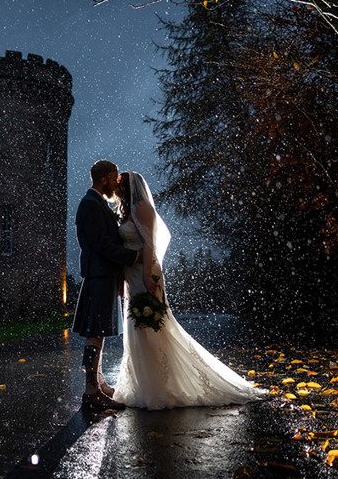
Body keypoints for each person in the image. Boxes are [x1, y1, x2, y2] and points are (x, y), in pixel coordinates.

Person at [112, 171, 265, 409]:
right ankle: (144, 385)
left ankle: (159, 388)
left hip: (145, 274)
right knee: (137, 329)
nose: (117, 187)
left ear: (131, 186)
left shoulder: (142, 207)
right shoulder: (127, 210)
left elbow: (150, 243)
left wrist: (145, 274)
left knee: (152, 327)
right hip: (132, 277)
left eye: (121, 183)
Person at [72, 160, 142, 410]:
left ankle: (98, 384)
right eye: (114, 178)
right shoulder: (90, 205)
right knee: (95, 334)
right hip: (99, 276)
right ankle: (91, 392)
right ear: (104, 179)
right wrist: (134, 257)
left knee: (97, 334)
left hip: (104, 276)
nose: (116, 183)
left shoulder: (97, 203)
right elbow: (102, 245)